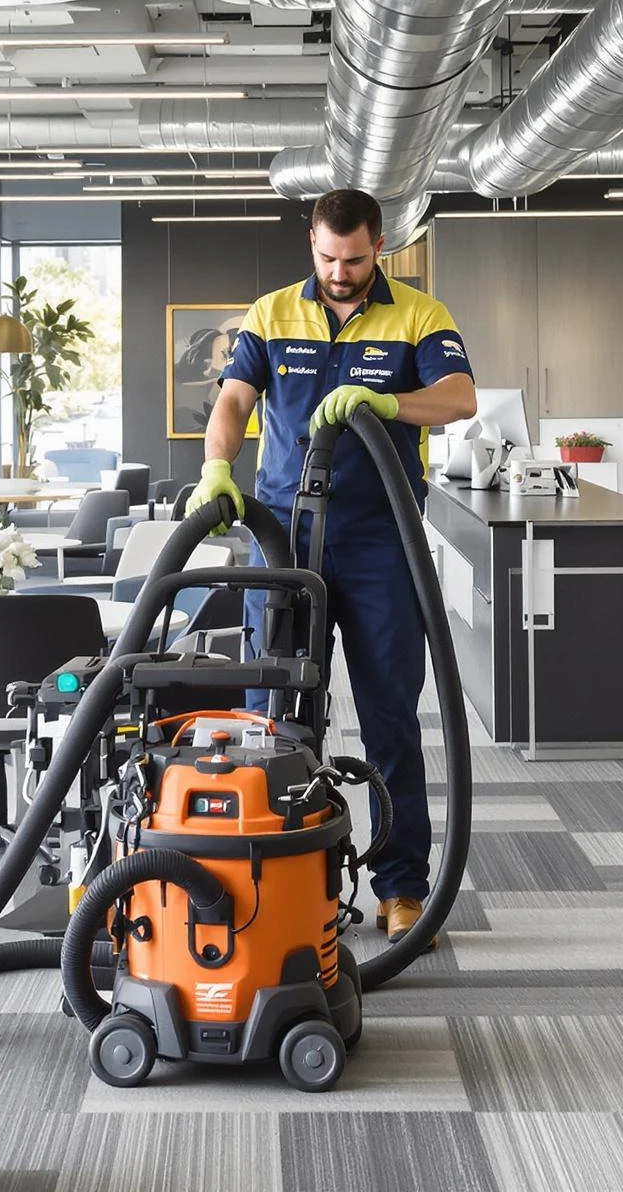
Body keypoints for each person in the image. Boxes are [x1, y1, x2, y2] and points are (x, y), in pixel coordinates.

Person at [187, 187, 477, 938]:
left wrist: (390, 404)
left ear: (378, 248)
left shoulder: (419, 313)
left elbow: (460, 398)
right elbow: (234, 400)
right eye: (326, 257)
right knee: (274, 713)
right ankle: (273, 874)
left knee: (390, 718)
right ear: (310, 246)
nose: (338, 272)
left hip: (382, 539)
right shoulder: (272, 311)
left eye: (352, 260)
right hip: (284, 536)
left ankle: (401, 885)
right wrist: (217, 467)